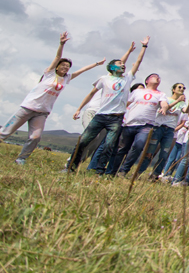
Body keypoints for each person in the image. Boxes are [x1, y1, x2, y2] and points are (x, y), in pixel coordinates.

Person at [1, 32, 104, 164]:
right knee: (5, 132)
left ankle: (21, 159)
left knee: (35, 137)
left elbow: (82, 70)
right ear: (57, 67)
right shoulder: (49, 74)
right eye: (63, 65)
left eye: (68, 66)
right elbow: (57, 56)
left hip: (42, 112)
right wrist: (61, 44)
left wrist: (96, 64)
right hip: (28, 107)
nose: (65, 67)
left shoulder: (66, 78)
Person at [69, 36, 150, 173]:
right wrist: (79, 109)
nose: (123, 65)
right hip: (100, 116)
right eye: (119, 64)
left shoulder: (128, 78)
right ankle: (71, 167)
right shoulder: (104, 79)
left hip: (116, 118)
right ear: (111, 67)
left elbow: (138, 62)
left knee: (109, 145)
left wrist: (144, 47)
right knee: (83, 141)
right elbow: (91, 93)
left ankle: (99, 170)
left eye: (123, 64)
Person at [106, 72, 169, 176]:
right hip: (130, 123)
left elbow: (164, 103)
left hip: (146, 125)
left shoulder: (160, 94)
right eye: (154, 77)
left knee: (138, 146)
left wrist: (164, 108)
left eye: (159, 78)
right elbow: (126, 103)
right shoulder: (137, 92)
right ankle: (112, 171)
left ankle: (123, 171)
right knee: (122, 148)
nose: (157, 78)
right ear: (147, 81)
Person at [140, 82, 187, 177]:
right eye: (179, 87)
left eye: (183, 88)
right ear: (173, 89)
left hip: (170, 130)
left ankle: (155, 175)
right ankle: (139, 172)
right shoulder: (165, 99)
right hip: (159, 127)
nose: (182, 89)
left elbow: (186, 111)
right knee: (149, 152)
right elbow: (165, 107)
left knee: (164, 154)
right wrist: (177, 101)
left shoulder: (182, 103)